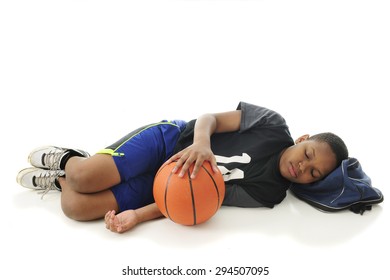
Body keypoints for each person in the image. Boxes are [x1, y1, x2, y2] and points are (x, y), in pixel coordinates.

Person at [16, 101, 348, 233]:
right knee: (85, 176)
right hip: (169, 141)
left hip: (167, 182)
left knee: (76, 206)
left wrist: (139, 215)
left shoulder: (269, 193)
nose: (302, 167)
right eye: (307, 153)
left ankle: (59, 182)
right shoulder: (273, 125)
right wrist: (201, 143)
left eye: (313, 173)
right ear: (303, 138)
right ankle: (69, 160)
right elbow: (210, 118)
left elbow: (205, 198)